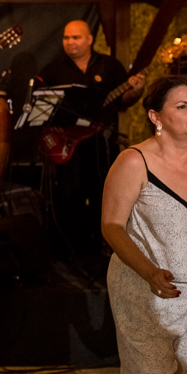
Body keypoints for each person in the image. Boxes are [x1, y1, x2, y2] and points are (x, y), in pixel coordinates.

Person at [102, 76, 187, 374]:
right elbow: (112, 226)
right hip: (146, 293)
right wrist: (149, 272)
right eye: (183, 106)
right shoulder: (135, 161)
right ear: (155, 116)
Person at [39, 20, 145, 257]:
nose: (70, 42)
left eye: (76, 38)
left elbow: (124, 101)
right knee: (70, 198)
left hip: (102, 145)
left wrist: (136, 91)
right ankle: (73, 251)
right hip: (69, 146)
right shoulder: (53, 69)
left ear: (89, 39)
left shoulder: (109, 66)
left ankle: (104, 248)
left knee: (104, 195)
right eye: (66, 38)